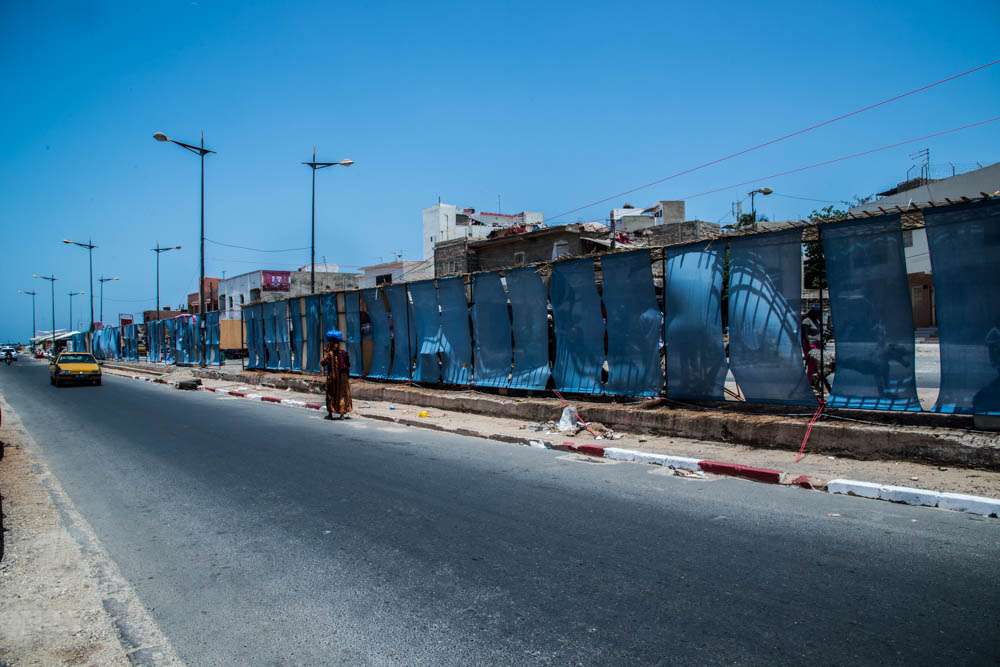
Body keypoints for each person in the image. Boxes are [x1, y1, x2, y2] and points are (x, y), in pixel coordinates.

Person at [320, 329, 352, 420]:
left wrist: (326, 352)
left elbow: (323, 363)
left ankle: (330, 414)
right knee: (342, 394)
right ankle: (342, 414)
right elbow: (348, 365)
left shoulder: (329, 354)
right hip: (343, 377)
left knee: (330, 394)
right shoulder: (343, 353)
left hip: (332, 377)